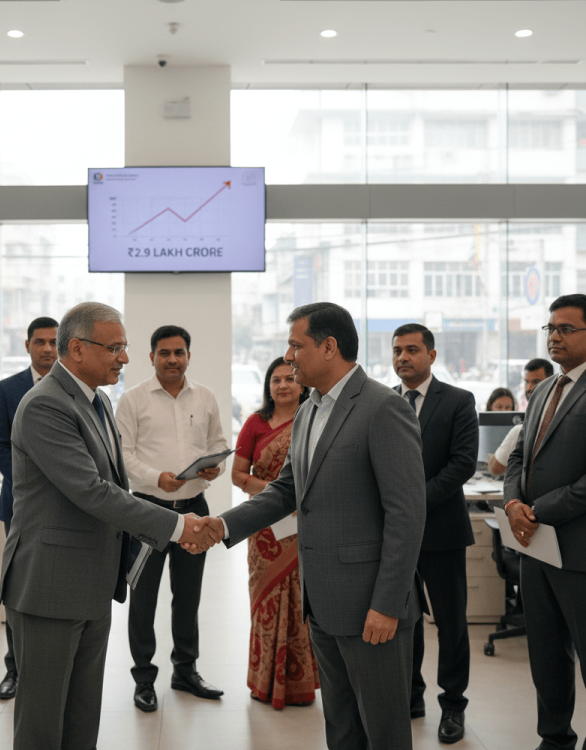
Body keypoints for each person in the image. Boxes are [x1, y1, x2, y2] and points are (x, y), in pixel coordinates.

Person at [196, 302, 426, 750]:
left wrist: (387, 605)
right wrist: (220, 526)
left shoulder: (382, 407)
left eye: (296, 346)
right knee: (341, 726)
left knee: (384, 730)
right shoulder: (309, 410)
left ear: (329, 346)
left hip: (370, 607)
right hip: (320, 602)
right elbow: (285, 491)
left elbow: (407, 514)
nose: (288, 357)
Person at [0, 302, 219, 750]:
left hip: (90, 583)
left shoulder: (95, 399)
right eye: (114, 347)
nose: (124, 358)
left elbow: (111, 484)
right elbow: (94, 492)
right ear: (77, 349)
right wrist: (178, 526)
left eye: (125, 347)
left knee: (81, 717)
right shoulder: (46, 406)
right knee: (43, 724)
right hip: (49, 585)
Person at [115, 325, 228, 712]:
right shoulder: (132, 401)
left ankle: (185, 671)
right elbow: (123, 457)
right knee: (143, 599)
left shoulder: (206, 396)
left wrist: (214, 467)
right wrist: (154, 478)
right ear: (151, 357)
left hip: (196, 510)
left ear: (188, 356)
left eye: (179, 352)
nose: (172, 360)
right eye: (164, 353)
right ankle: (144, 678)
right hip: (148, 511)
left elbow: (216, 443)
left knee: (188, 596)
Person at [504, 293, 586, 750]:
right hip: (534, 547)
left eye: (567, 329)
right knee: (547, 653)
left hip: (577, 547)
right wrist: (514, 503)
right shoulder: (541, 391)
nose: (555, 337)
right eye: (551, 329)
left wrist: (541, 510)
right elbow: (517, 457)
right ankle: (554, 737)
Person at [391, 323, 478, 743]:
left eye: (411, 350)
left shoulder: (458, 401)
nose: (403, 357)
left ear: (431, 355)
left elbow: (462, 464)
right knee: (404, 619)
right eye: (397, 351)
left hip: (441, 530)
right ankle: (411, 696)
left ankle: (454, 707)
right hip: (395, 537)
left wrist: (414, 503)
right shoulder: (384, 401)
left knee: (450, 622)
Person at [230, 356, 318, 709]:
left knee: (301, 604)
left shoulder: (314, 418)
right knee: (264, 604)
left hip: (306, 526)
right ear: (268, 386)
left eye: (288, 378)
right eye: (275, 380)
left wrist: (298, 499)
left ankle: (300, 685)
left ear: (301, 382)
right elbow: (238, 474)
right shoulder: (255, 423)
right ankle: (263, 683)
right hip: (265, 528)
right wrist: (277, 493)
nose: (282, 385)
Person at [0, 315, 58, 700]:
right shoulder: (7, 389)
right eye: (40, 342)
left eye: (53, 342)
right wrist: (33, 480)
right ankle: (14, 669)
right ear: (28, 345)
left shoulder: (75, 388)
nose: (47, 348)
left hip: (63, 510)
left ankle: (46, 667)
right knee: (15, 592)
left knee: (50, 592)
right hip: (18, 507)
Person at [487, 358, 553, 476]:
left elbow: (495, 468)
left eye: (536, 382)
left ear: (551, 382)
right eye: (526, 382)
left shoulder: (521, 430)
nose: (528, 388)